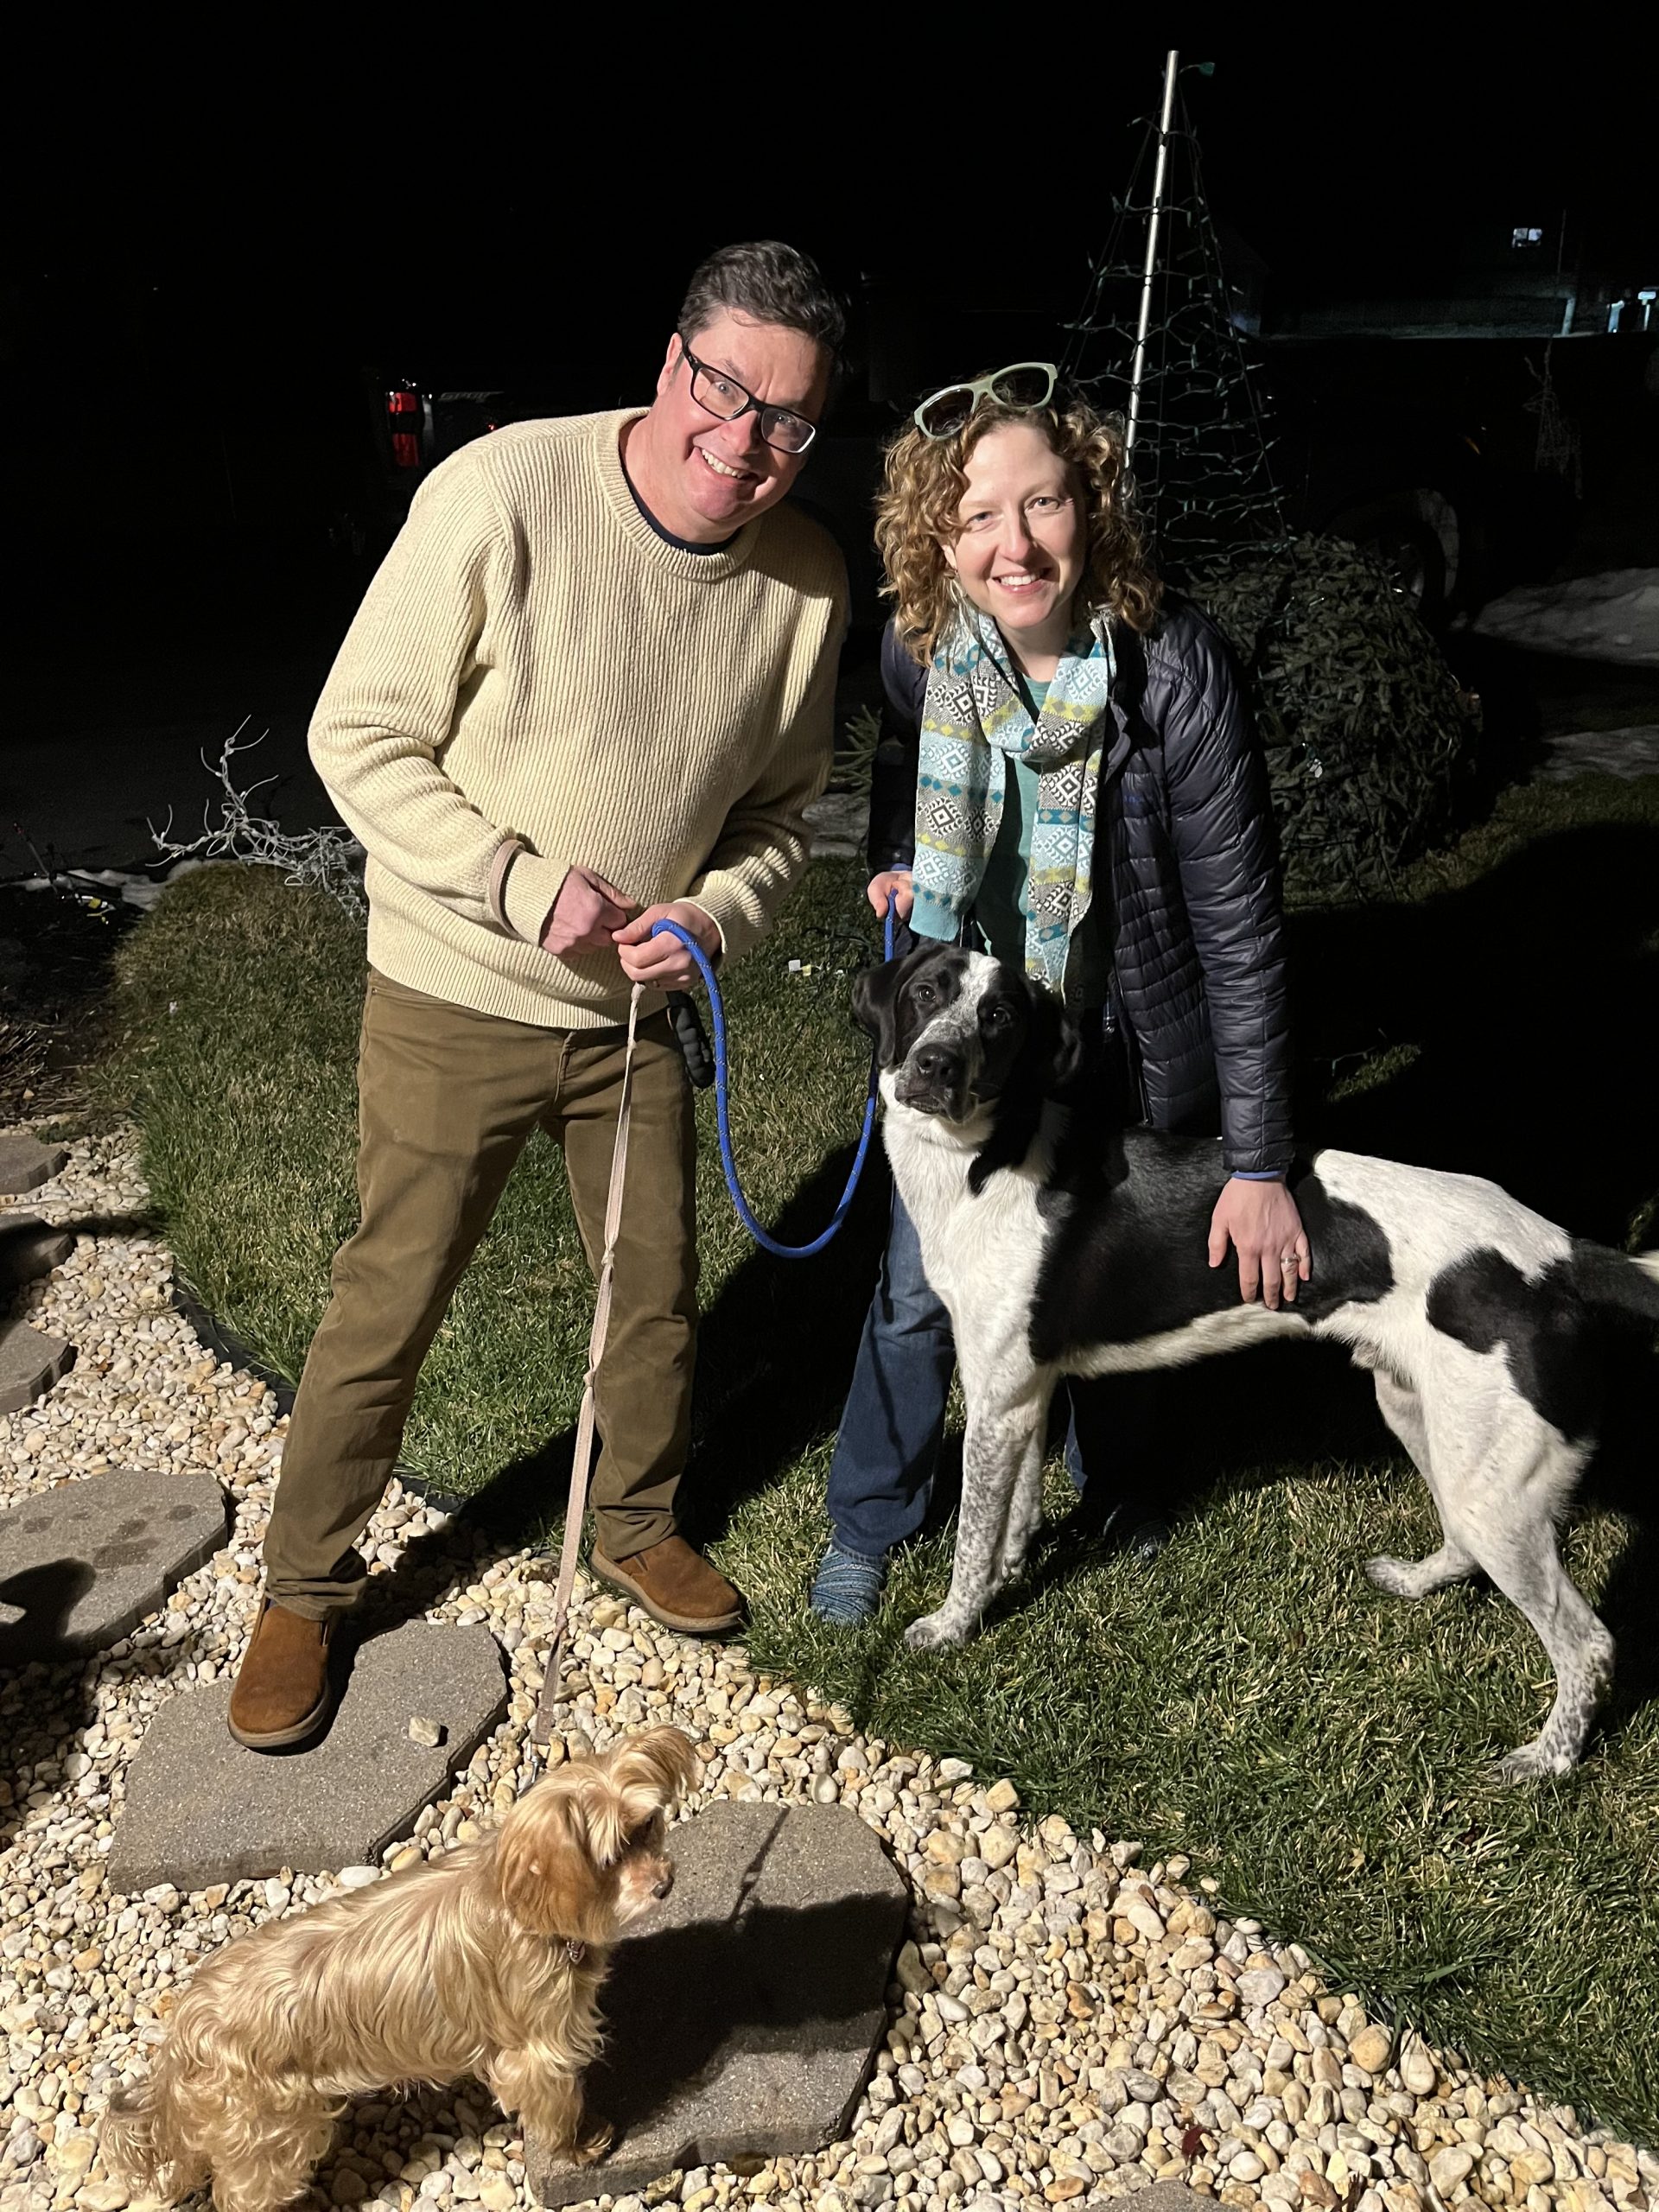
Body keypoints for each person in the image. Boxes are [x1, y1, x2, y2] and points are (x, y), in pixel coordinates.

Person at [229, 241, 849, 1749]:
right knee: (392, 1291)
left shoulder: (806, 583)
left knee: (655, 1288)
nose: (746, 441)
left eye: (788, 419)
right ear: (672, 362)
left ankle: (633, 1519)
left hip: (630, 1016)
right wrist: (515, 883)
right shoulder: (504, 488)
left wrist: (711, 915)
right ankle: (303, 1589)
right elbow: (358, 735)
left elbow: (783, 819)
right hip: (456, 985)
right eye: (726, 389)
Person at [810, 365, 1306, 1625]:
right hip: (967, 1027)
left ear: (1091, 505)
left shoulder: (1171, 670)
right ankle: (872, 1519)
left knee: (1104, 1258)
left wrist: (1259, 1163)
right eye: (977, 516)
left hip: (1116, 1032)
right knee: (917, 1289)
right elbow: (908, 764)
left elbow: (1242, 935)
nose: (1014, 545)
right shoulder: (926, 652)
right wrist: (898, 852)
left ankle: (1118, 1488)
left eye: (1042, 503)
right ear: (939, 540)